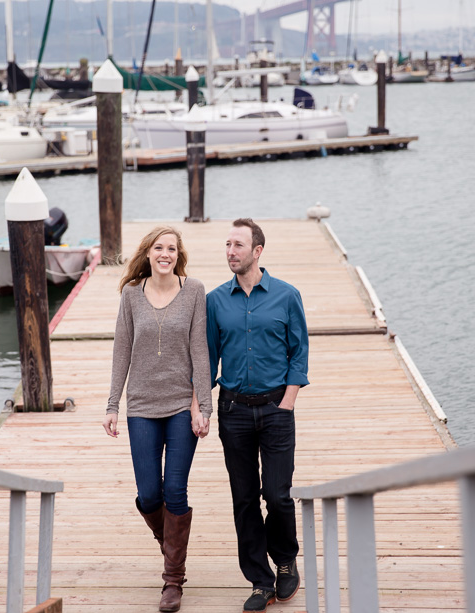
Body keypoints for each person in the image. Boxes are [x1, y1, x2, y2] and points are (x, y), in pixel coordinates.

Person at [103, 226, 212, 613]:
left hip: (183, 406)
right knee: (150, 494)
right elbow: (122, 351)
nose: (165, 254)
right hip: (142, 407)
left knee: (175, 491)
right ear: (147, 253)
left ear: (177, 255)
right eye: (158, 248)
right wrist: (113, 404)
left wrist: (204, 407)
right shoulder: (132, 295)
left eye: (171, 248)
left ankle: (172, 580)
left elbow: (201, 350)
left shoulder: (194, 290)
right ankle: (172, 546)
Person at [206, 218, 309, 613]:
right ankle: (259, 580)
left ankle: (285, 560)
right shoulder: (216, 300)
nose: (231, 251)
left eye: (238, 245)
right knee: (244, 498)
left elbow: (298, 350)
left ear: (257, 251)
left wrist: (289, 400)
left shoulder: (286, 296)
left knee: (278, 495)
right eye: (227, 244)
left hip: (276, 408)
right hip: (233, 411)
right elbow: (209, 356)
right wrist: (201, 402)